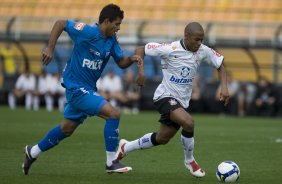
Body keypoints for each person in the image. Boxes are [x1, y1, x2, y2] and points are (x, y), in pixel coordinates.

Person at [22, 3, 144, 175]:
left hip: (88, 88)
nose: (118, 28)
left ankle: (32, 152)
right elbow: (60, 23)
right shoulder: (86, 31)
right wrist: (50, 47)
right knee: (113, 113)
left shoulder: (111, 40)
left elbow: (121, 62)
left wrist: (132, 59)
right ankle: (111, 162)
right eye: (116, 24)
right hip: (75, 87)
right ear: (107, 21)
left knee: (66, 129)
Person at [115, 22, 229, 177]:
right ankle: (189, 161)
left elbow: (221, 64)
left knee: (162, 138)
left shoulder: (203, 50)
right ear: (186, 37)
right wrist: (141, 73)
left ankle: (125, 147)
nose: (199, 43)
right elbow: (140, 49)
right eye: (196, 39)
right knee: (188, 123)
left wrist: (224, 87)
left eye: (201, 39)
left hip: (181, 102)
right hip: (164, 96)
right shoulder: (169, 49)